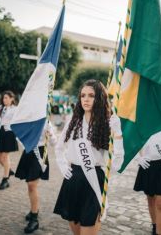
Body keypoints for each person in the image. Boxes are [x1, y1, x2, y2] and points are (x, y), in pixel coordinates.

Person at [53, 79, 124, 235]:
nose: (85, 99)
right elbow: (59, 148)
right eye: (83, 95)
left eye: (91, 95)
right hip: (73, 178)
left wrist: (118, 134)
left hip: (94, 181)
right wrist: (63, 166)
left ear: (99, 98)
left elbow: (117, 163)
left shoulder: (107, 124)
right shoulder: (73, 121)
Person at [15, 121, 57, 234]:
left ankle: (34, 218)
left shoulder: (46, 122)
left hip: (40, 152)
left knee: (32, 185)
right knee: (30, 186)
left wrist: (50, 135)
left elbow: (54, 142)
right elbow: (19, 136)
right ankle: (34, 209)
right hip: (29, 152)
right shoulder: (27, 118)